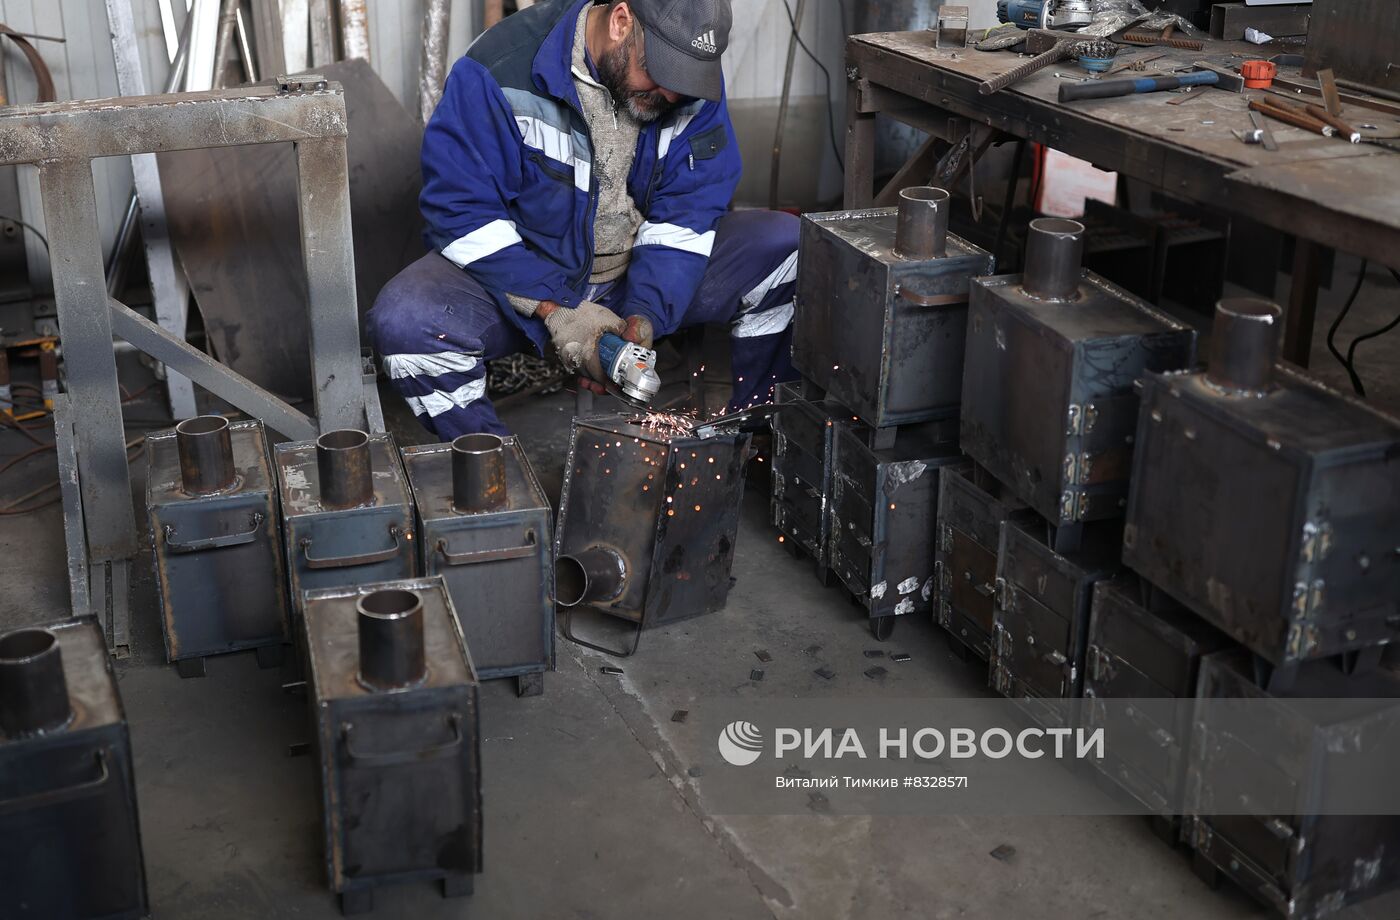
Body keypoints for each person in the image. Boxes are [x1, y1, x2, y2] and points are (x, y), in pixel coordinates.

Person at [367, 0, 800, 437]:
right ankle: (495, 478)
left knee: (789, 248)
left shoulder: (687, 80)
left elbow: (688, 210)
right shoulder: (499, 69)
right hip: (529, 280)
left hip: (637, 273)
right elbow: (461, 211)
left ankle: (757, 443)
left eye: (685, 80)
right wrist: (556, 311)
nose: (672, 95)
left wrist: (647, 313)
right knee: (406, 323)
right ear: (621, 21)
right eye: (663, 73)